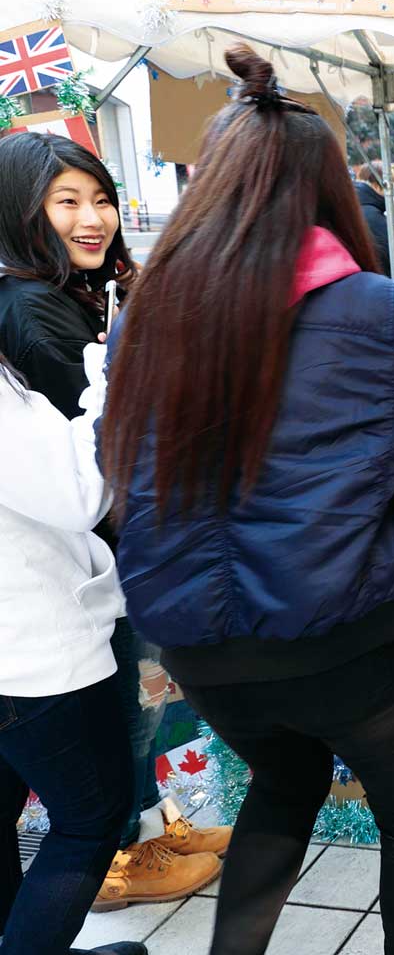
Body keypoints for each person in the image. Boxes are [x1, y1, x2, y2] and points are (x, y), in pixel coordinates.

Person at [98, 45, 394, 955]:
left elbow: (117, 459)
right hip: (346, 639)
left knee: (283, 783)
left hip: (201, 645)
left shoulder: (147, 313)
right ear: (325, 191)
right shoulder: (372, 311)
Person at [0, 132, 226, 912]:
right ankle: (127, 855)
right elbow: (100, 451)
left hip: (98, 559)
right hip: (90, 564)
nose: (93, 218)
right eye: (67, 202)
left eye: (101, 199)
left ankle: (146, 827)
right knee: (121, 729)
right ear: (20, 211)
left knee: (138, 709)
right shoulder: (34, 308)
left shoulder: (67, 289)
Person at [1, 344, 145, 955]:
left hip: (17, 649)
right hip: (34, 651)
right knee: (92, 818)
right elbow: (78, 497)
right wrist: (106, 391)